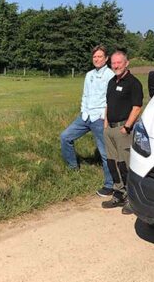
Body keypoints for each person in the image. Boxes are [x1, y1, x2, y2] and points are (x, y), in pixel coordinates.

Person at [60, 45, 115, 197]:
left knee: (105, 152)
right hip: (85, 116)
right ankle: (73, 168)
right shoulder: (89, 74)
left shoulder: (110, 75)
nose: (97, 59)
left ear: (106, 59)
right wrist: (83, 110)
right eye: (95, 57)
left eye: (100, 57)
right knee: (65, 137)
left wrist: (104, 118)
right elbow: (85, 95)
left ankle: (110, 185)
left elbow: (110, 100)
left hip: (99, 118)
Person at [101, 50, 143, 214]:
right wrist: (105, 123)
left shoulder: (133, 83)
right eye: (113, 63)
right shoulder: (111, 82)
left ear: (126, 63)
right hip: (110, 129)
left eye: (119, 62)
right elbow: (108, 104)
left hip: (123, 130)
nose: (116, 65)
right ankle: (119, 194)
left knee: (125, 164)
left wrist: (126, 127)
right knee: (113, 163)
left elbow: (137, 107)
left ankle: (132, 199)